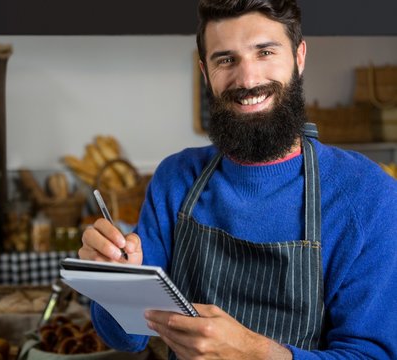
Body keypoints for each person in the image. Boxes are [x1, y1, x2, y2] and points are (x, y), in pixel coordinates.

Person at [78, 0, 397, 358]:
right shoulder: (175, 180)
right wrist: (114, 281)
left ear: (299, 56)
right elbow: (128, 338)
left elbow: (372, 354)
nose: (247, 80)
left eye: (265, 52)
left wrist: (255, 352)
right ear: (206, 71)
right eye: (226, 59)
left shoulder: (369, 195)